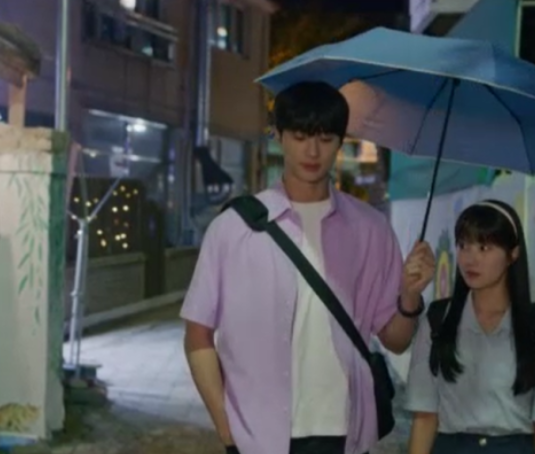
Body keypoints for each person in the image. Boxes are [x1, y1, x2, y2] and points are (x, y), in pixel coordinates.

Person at [181, 81, 436, 454]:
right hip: (258, 437)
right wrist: (225, 427)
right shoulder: (233, 229)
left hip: (346, 433)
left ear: (341, 141)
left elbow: (396, 341)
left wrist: (410, 295)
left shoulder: (371, 228)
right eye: (300, 137)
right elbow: (198, 335)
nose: (313, 152)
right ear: (278, 135)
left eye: (326, 139)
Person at [406, 200, 535, 454]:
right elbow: (424, 419)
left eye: (484, 247)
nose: (470, 259)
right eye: (463, 245)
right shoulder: (438, 320)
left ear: (513, 254)